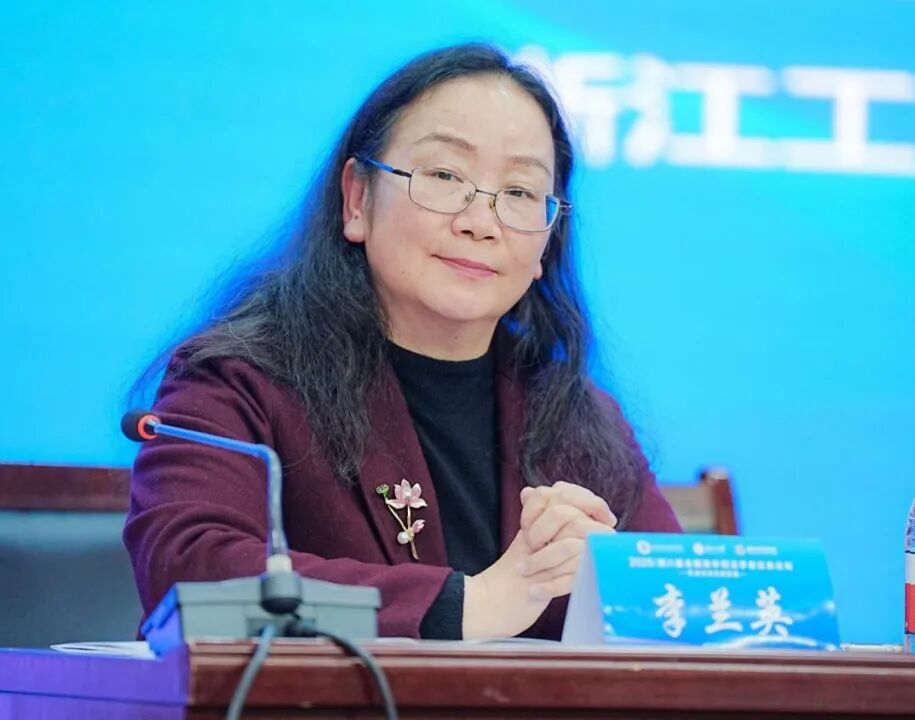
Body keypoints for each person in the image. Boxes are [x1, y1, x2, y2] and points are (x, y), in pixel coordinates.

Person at [124, 42, 681, 641]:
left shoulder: (578, 419)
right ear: (357, 199)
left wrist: (621, 586)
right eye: (444, 176)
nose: (481, 222)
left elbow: (689, 613)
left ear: (548, 238)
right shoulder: (240, 383)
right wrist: (471, 605)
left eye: (520, 193)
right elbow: (189, 570)